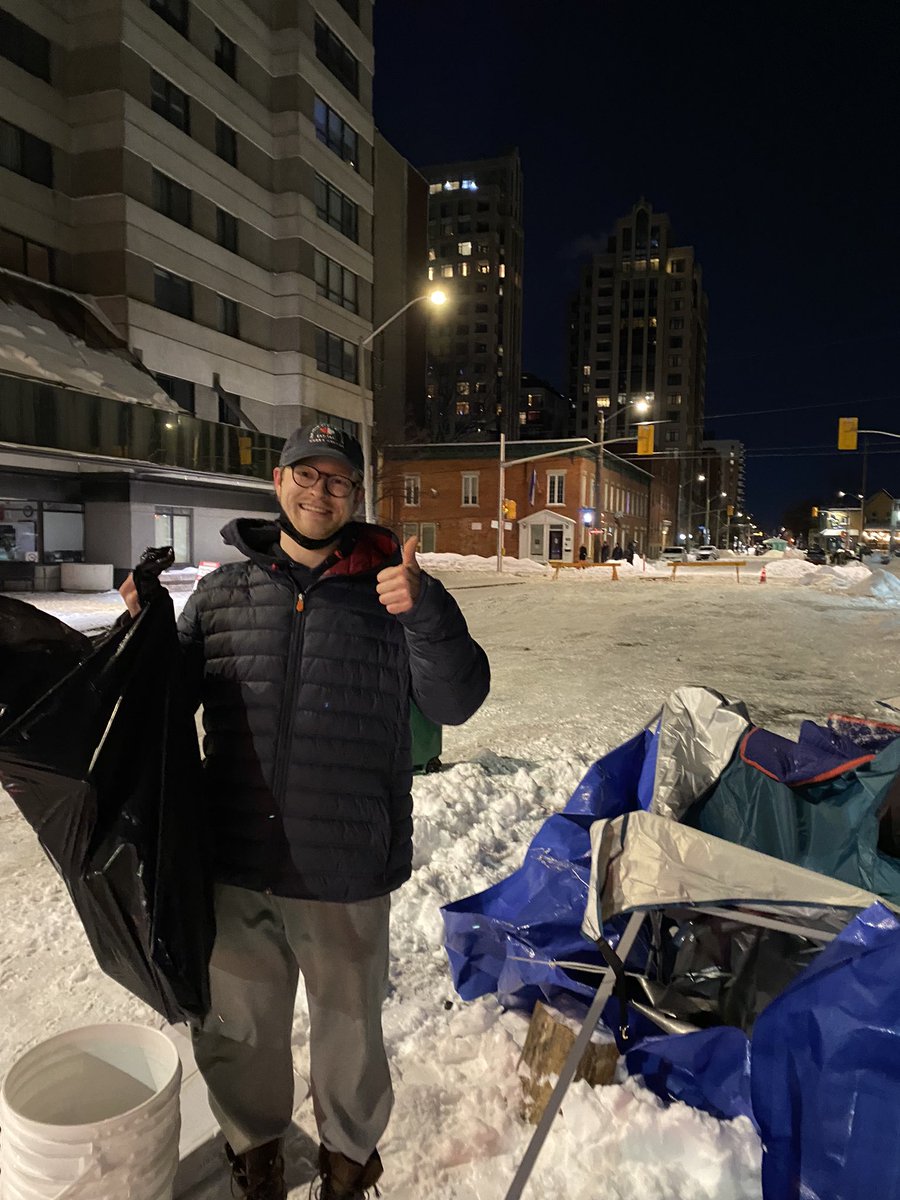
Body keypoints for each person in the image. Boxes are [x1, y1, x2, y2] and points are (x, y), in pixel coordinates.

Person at [120, 423, 489, 1200]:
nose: (321, 493)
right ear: (279, 484)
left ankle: (349, 1166)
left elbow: (458, 700)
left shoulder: (395, 588)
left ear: (355, 496)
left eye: (338, 482)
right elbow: (158, 702)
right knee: (239, 1032)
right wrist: (139, 627)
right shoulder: (221, 594)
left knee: (350, 1037)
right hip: (235, 861)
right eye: (306, 476)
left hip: (344, 864)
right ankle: (255, 1155)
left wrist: (424, 614)